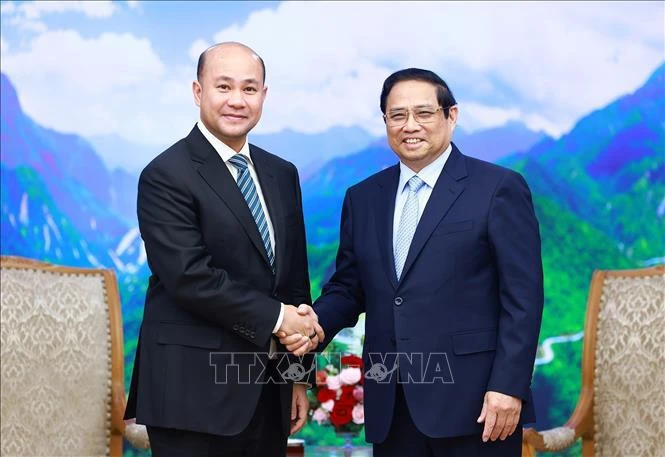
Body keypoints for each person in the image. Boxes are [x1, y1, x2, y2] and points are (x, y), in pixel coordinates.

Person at [281, 68, 544, 456]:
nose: (410, 126)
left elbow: (523, 298)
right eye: (397, 115)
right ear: (385, 121)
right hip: (391, 405)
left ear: (450, 116)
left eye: (424, 113)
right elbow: (348, 287)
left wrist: (508, 386)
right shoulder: (364, 197)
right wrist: (313, 328)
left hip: (479, 406)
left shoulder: (498, 188)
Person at [124, 42, 323, 457]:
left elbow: (293, 283)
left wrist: (297, 376)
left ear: (264, 97)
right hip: (191, 395)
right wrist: (280, 317)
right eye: (224, 86)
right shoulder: (165, 175)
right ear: (198, 92)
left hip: (268, 395)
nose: (237, 100)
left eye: (249, 89)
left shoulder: (281, 174)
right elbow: (189, 278)